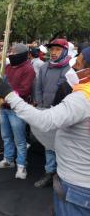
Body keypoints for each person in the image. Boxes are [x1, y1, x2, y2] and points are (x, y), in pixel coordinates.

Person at [0, 47, 90, 216]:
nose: (74, 67)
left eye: (78, 62)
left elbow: (46, 122)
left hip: (78, 187)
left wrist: (9, 95)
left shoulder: (83, 98)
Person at [33, 39, 71, 188]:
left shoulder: (70, 68)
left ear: (65, 51)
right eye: (52, 49)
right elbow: (38, 87)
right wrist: (40, 105)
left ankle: (63, 176)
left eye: (57, 49)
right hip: (46, 111)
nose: (53, 53)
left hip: (63, 113)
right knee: (48, 145)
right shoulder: (44, 67)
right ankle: (49, 173)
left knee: (63, 145)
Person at [0, 43, 36, 179]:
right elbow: (2, 83)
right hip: (4, 108)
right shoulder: (7, 67)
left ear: (20, 55)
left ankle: (22, 166)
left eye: (12, 52)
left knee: (20, 140)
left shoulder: (28, 69)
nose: (10, 54)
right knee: (6, 136)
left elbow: (25, 90)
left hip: (17, 110)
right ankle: (8, 160)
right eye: (10, 52)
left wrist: (6, 98)